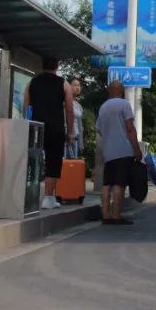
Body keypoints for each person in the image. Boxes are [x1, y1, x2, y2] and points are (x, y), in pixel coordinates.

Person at [23, 56, 74, 211]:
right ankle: (48, 197)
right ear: (57, 67)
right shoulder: (64, 84)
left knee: (33, 160)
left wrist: (27, 126)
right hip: (55, 128)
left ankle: (29, 195)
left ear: (42, 66)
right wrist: (71, 131)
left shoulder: (32, 83)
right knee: (53, 161)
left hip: (36, 127)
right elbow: (69, 109)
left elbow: (26, 106)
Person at [95, 81, 142, 224]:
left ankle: (105, 215)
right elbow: (130, 128)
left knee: (106, 184)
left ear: (109, 91)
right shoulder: (124, 105)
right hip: (123, 150)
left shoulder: (103, 107)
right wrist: (136, 149)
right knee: (119, 184)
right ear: (121, 91)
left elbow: (99, 130)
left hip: (109, 152)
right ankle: (116, 216)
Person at [64, 79, 84, 160]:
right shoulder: (64, 102)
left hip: (76, 139)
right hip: (66, 139)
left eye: (79, 85)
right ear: (69, 87)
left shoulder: (79, 106)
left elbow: (80, 125)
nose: (77, 87)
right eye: (75, 85)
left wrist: (81, 143)